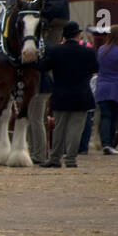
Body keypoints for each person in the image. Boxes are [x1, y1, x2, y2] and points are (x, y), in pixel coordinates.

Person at [0, 0, 69, 164]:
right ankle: (39, 153)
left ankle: (38, 155)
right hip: (59, 15)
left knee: (35, 119)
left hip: (52, 15)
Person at [39, 22, 99, 168]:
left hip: (61, 94)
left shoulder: (55, 50)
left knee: (59, 127)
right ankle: (71, 159)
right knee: (76, 128)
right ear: (78, 35)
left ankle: (55, 158)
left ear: (63, 35)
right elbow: (95, 69)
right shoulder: (88, 52)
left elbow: (43, 67)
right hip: (82, 94)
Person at [95, 25, 118, 155]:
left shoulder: (101, 50)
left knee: (105, 116)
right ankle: (110, 143)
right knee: (114, 118)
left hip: (102, 87)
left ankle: (105, 143)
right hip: (117, 87)